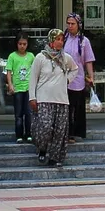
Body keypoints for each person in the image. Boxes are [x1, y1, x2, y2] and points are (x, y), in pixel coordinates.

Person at [29, 28, 79, 167]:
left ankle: (55, 157)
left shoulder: (66, 58)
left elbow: (75, 69)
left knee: (59, 131)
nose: (60, 42)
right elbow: (32, 78)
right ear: (51, 41)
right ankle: (42, 149)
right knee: (44, 128)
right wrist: (32, 97)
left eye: (62, 40)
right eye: (57, 39)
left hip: (61, 100)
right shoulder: (40, 57)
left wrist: (68, 80)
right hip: (44, 99)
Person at [62, 13, 96, 140]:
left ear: (78, 25)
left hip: (78, 79)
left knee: (76, 108)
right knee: (66, 108)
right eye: (68, 23)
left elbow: (88, 60)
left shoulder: (84, 41)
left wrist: (91, 77)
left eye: (73, 24)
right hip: (63, 79)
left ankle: (74, 133)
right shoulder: (63, 38)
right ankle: (65, 132)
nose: (70, 26)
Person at [4, 35, 35, 142]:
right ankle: (19, 135)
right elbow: (9, 71)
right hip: (17, 89)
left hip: (28, 88)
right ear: (16, 44)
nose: (22, 46)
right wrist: (10, 84)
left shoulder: (31, 56)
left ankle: (29, 134)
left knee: (28, 112)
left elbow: (35, 71)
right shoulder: (12, 56)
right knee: (18, 113)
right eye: (20, 44)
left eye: (24, 44)